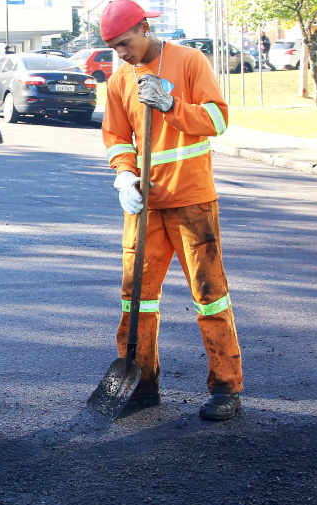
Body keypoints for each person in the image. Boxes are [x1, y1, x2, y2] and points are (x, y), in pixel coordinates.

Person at [100, 0, 243, 421]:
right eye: (112, 47)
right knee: (136, 300)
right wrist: (125, 177)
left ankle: (226, 389)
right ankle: (142, 385)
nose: (120, 53)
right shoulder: (120, 79)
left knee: (210, 296)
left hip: (192, 201)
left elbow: (217, 120)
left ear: (144, 28)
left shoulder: (188, 60)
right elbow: (116, 137)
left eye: (124, 43)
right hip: (145, 207)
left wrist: (170, 106)